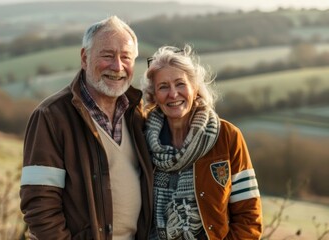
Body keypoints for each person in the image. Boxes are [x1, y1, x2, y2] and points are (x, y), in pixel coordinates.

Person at [20, 16, 153, 240]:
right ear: (84, 58)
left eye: (126, 57)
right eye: (108, 55)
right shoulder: (51, 116)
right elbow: (39, 205)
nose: (117, 66)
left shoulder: (139, 114)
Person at [141, 45, 262, 240]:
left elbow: (249, 217)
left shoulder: (227, 137)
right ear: (153, 95)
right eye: (163, 86)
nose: (173, 94)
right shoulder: (141, 139)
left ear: (195, 87)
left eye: (180, 84)